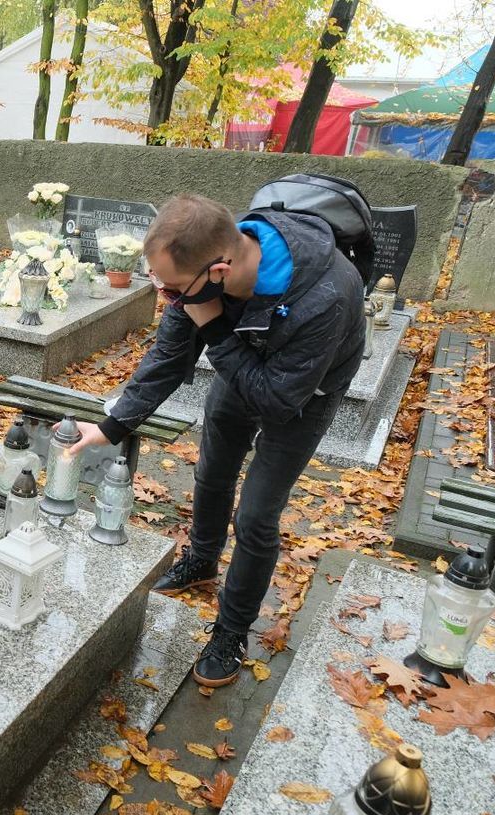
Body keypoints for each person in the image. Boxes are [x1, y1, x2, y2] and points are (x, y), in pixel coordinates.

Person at [68, 193, 364, 688]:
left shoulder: (326, 294)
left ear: (220, 270)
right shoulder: (200, 274)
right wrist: (113, 425)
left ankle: (232, 629)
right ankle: (202, 559)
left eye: (174, 290)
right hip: (242, 355)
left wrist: (212, 325)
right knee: (212, 471)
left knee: (256, 514)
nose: (171, 298)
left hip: (305, 392)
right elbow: (169, 354)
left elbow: (274, 403)